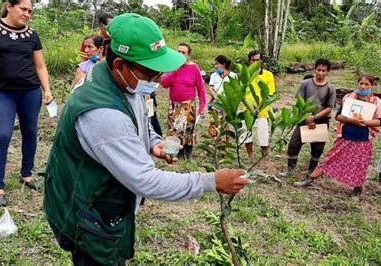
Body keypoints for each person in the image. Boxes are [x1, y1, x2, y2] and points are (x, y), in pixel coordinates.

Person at [43, 13, 248, 265]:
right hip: (86, 209)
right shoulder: (103, 113)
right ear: (119, 64)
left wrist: (152, 141)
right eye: (151, 73)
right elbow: (146, 181)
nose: (159, 80)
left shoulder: (121, 80)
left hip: (100, 197)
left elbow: (139, 117)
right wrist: (211, 181)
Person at [0, 0, 54, 207]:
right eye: (23, 9)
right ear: (9, 6)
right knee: (2, 135)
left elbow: (40, 66)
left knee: (30, 131)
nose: (27, 14)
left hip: (30, 92)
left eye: (30, 11)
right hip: (0, 93)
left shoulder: (32, 35)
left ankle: (27, 174)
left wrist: (47, 89)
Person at [294, 75, 381, 200]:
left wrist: (365, 122)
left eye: (366, 84)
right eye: (361, 83)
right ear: (358, 83)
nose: (363, 87)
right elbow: (339, 116)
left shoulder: (376, 102)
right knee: (330, 158)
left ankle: (357, 189)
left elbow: (379, 122)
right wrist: (353, 121)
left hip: (363, 139)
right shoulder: (349, 98)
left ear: (372, 86)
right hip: (346, 136)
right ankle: (310, 178)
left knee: (360, 165)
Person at [279, 59, 336, 178]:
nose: (320, 73)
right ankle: (290, 170)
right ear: (314, 69)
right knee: (294, 145)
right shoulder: (305, 84)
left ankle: (311, 173)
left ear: (328, 72)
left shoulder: (330, 88)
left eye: (323, 70)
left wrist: (314, 118)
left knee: (317, 150)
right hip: (304, 119)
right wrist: (306, 118)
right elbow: (300, 102)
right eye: (318, 70)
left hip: (320, 122)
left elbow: (329, 108)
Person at [161, 43, 206, 161]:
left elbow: (201, 89)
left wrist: (202, 107)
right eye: (178, 51)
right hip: (174, 105)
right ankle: (178, 151)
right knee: (174, 129)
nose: (180, 54)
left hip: (188, 105)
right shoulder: (172, 66)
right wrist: (175, 71)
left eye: (183, 52)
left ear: (188, 55)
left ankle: (188, 153)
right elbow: (165, 84)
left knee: (188, 129)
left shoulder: (194, 68)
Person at [238, 50, 276, 167]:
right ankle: (251, 157)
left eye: (257, 60)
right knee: (246, 135)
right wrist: (249, 107)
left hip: (262, 111)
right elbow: (241, 93)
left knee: (263, 136)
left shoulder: (268, 75)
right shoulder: (245, 75)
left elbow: (269, 94)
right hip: (247, 110)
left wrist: (258, 108)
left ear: (261, 61)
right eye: (253, 60)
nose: (255, 62)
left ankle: (263, 158)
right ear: (249, 61)